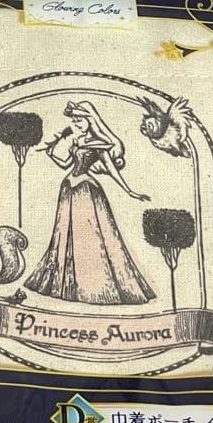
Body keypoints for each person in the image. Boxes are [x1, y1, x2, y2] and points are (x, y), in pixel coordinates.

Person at [24, 101, 156, 305]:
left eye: (80, 119)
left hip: (85, 189)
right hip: (68, 187)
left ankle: (94, 288)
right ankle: (67, 287)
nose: (76, 123)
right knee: (65, 235)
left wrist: (130, 191)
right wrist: (51, 153)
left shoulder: (100, 144)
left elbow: (112, 170)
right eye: (74, 120)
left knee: (92, 238)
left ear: (90, 120)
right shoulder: (77, 141)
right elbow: (66, 164)